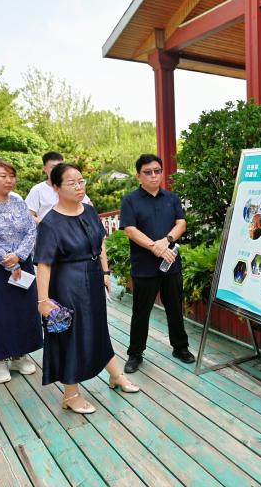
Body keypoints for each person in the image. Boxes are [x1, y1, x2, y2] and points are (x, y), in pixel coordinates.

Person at [35, 163, 139, 413]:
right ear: (56, 187)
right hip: (67, 283)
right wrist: (43, 300)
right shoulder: (50, 223)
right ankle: (70, 395)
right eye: (71, 183)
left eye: (81, 181)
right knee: (72, 335)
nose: (79, 187)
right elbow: (44, 264)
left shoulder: (89, 210)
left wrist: (105, 272)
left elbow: (100, 243)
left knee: (98, 327)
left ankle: (115, 375)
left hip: (92, 278)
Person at [119, 154, 193, 373]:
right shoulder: (130, 200)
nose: (153, 176)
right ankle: (135, 353)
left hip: (171, 264)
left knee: (175, 308)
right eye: (148, 172)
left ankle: (180, 347)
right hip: (144, 267)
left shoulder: (171, 198)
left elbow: (181, 224)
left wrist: (166, 241)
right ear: (138, 176)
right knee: (141, 312)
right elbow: (130, 230)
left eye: (157, 171)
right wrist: (154, 247)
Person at [0, 159, 42, 383]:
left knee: (24, 311)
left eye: (12, 176)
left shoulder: (18, 201)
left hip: (23, 264)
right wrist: (7, 260)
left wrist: (19, 256)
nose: (9, 180)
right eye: (3, 176)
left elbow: (31, 230)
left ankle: (20, 356)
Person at [25, 151, 91, 222]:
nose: (58, 171)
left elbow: (89, 205)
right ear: (45, 168)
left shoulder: (73, 187)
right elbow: (27, 215)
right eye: (54, 167)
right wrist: (45, 224)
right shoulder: (37, 190)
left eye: (60, 167)